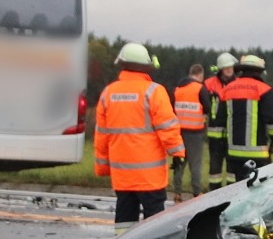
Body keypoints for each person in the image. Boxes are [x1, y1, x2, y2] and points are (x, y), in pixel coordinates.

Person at [95, 41, 185, 225]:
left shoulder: (108, 93)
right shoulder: (154, 91)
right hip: (150, 177)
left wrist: (103, 167)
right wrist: (177, 154)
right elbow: (167, 127)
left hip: (122, 176)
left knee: (124, 223)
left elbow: (101, 136)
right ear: (146, 67)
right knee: (153, 225)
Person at [214, 54, 273, 181]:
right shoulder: (265, 90)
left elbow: (220, 120)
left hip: (234, 154)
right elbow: (270, 120)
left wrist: (220, 145)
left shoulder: (227, 89)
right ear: (259, 71)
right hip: (258, 154)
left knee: (240, 188)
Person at [171, 63, 208, 200]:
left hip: (179, 131)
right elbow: (208, 108)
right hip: (195, 132)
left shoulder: (177, 89)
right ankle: (197, 192)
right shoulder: (200, 89)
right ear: (200, 75)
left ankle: (177, 192)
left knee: (179, 163)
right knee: (195, 164)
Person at [202, 52, 236, 188]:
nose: (229, 70)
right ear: (221, 69)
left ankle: (232, 191)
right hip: (214, 135)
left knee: (232, 167)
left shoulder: (238, 84)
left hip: (232, 133)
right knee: (215, 166)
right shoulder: (209, 84)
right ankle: (214, 192)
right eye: (226, 67)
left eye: (231, 67)